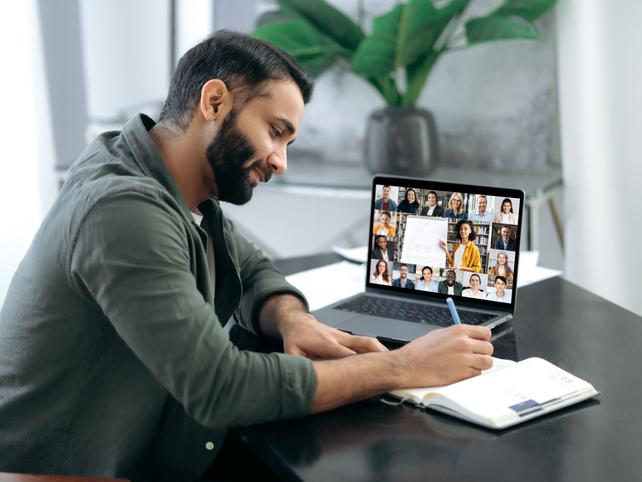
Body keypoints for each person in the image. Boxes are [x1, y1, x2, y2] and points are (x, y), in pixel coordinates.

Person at [0, 31, 493, 480]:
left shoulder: (166, 176)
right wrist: (402, 367)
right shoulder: (124, 209)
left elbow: (251, 265)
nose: (281, 160)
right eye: (276, 131)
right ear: (214, 101)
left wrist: (292, 319)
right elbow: (222, 385)